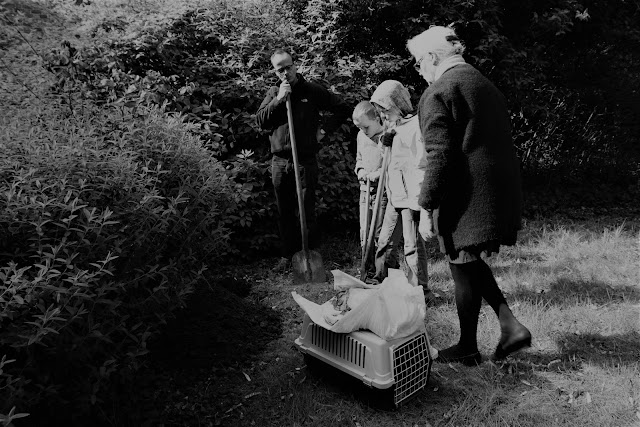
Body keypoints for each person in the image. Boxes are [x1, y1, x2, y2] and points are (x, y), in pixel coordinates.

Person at [408, 26, 532, 365]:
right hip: (497, 189)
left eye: (418, 62)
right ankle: (491, 335)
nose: (419, 70)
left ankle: (478, 342)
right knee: (466, 262)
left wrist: (425, 206)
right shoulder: (485, 84)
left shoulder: (438, 91)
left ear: (431, 57)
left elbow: (440, 155)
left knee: (461, 259)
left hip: (467, 193)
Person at [256, 49, 350, 271]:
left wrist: (323, 132)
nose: (285, 72)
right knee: (285, 211)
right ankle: (287, 255)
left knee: (306, 210)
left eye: (288, 67)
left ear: (295, 65)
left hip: (304, 161)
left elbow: (342, 108)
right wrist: (279, 100)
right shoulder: (273, 92)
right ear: (275, 71)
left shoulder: (311, 91)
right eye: (280, 69)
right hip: (280, 162)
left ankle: (309, 254)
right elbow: (260, 121)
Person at [368, 80, 432, 297]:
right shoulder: (392, 125)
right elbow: (388, 157)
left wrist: (420, 201)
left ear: (397, 104)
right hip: (395, 195)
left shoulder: (415, 127)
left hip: (410, 197)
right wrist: (383, 143)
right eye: (381, 112)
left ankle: (420, 291)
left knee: (412, 247)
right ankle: (382, 284)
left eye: (385, 110)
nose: (383, 116)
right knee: (385, 241)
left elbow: (421, 164)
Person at [352, 101, 386, 267]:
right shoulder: (361, 136)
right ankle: (368, 270)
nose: (363, 131)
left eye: (366, 127)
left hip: (382, 193)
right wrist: (360, 170)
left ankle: (383, 270)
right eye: (359, 128)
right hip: (365, 190)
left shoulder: (386, 137)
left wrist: (378, 174)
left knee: (379, 233)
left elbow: (390, 164)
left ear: (377, 119)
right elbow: (359, 158)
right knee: (365, 233)